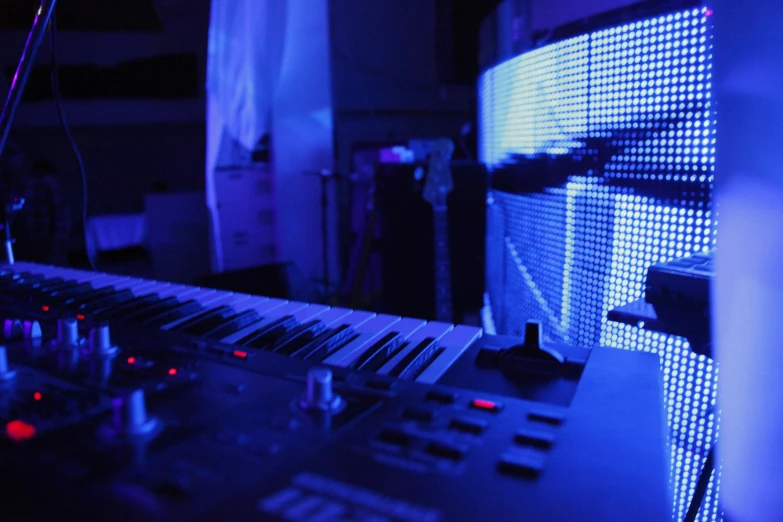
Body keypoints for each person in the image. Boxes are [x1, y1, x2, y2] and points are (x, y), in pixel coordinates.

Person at [0, 140, 71, 264]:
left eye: (12, 153)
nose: (8, 158)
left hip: (47, 256)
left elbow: (62, 222)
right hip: (17, 257)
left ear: (21, 156)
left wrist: (54, 253)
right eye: (5, 153)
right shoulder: (5, 187)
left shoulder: (45, 182)